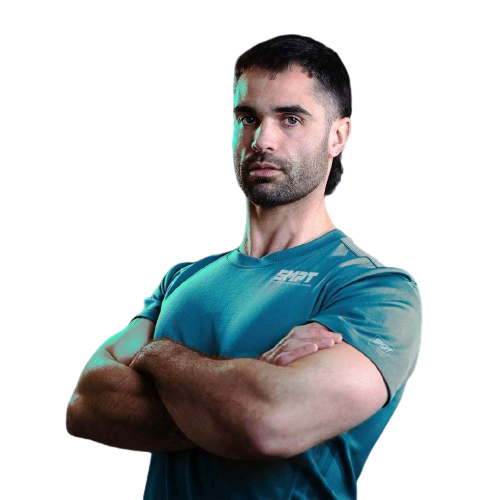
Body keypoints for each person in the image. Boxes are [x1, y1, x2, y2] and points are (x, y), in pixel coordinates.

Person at [66, 34, 422, 499]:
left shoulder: (375, 291)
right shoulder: (183, 280)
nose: (262, 140)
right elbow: (86, 405)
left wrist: (155, 355)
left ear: (337, 136)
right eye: (247, 117)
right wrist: (232, 403)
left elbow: (267, 423)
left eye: (290, 119)